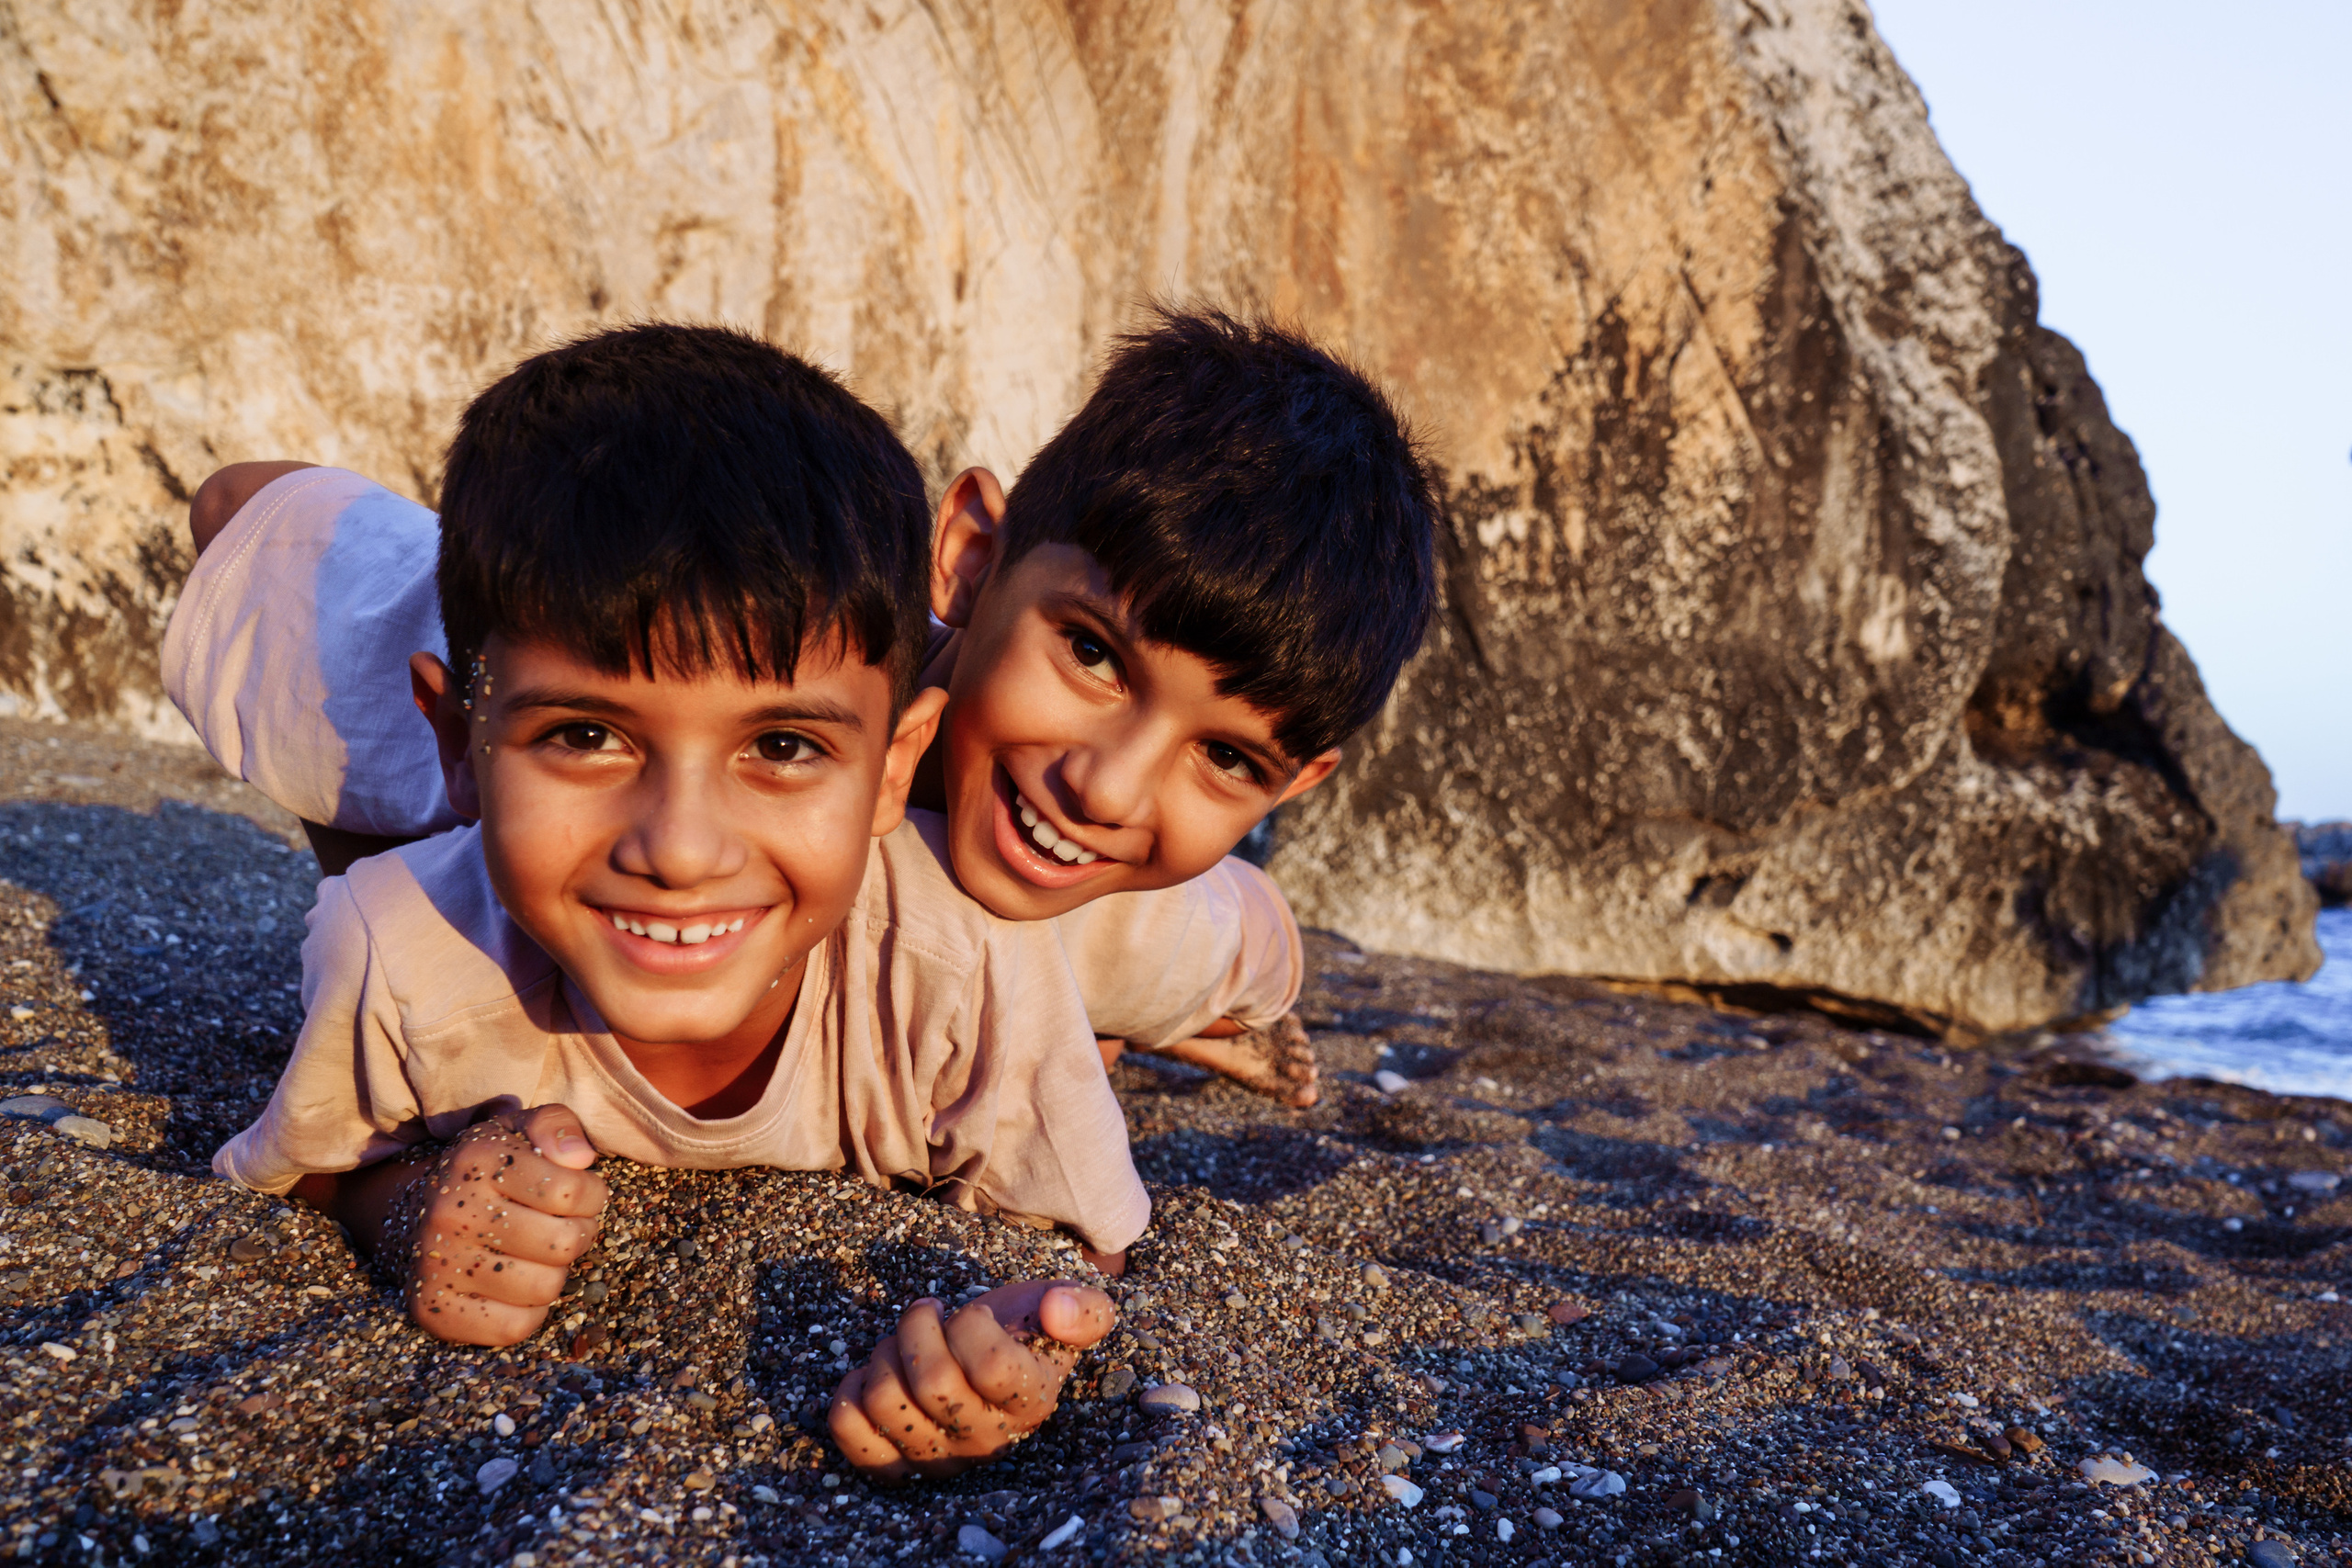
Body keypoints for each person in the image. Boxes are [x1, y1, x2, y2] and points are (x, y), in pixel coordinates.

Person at [198, 323, 1139, 1482]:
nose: (681, 850)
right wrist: (410, 1214)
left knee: (1200, 948)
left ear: (896, 767)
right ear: (455, 742)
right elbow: (307, 1170)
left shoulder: (970, 971)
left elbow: (1082, 1258)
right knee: (262, 541)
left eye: (782, 746)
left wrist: (1006, 1354)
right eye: (584, 736)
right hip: (341, 636)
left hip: (1132, 915)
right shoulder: (391, 945)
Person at [176, 308, 1441, 1108]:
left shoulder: (1147, 921)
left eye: (1227, 757)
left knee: (1127, 968)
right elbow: (243, 510)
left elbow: (1257, 940)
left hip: (1105, 942)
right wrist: (392, 873)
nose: (1106, 783)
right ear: (970, 556)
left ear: (1291, 785)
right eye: (1093, 654)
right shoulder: (752, 655)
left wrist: (1189, 1008)